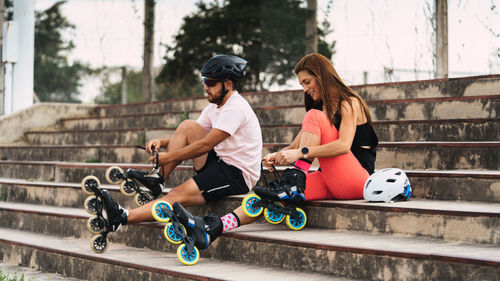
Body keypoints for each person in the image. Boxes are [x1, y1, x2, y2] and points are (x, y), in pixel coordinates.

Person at [167, 53, 379, 249]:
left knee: (312, 118)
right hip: (332, 180)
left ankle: (296, 178)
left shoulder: (349, 103)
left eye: (307, 82)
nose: (305, 89)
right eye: (302, 84)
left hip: (358, 179)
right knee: (266, 196)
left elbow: (342, 146)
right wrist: (279, 155)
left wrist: (298, 156)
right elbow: (298, 145)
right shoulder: (321, 109)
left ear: (321, 76)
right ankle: (211, 228)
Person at [99, 54, 263, 242]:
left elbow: (206, 145)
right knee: (187, 126)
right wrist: (161, 142)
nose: (205, 87)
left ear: (228, 84)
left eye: (210, 82)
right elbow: (189, 137)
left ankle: (121, 217)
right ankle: (157, 180)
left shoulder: (235, 108)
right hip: (219, 161)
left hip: (236, 175)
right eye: (204, 81)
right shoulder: (215, 107)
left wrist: (168, 157)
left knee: (175, 195)